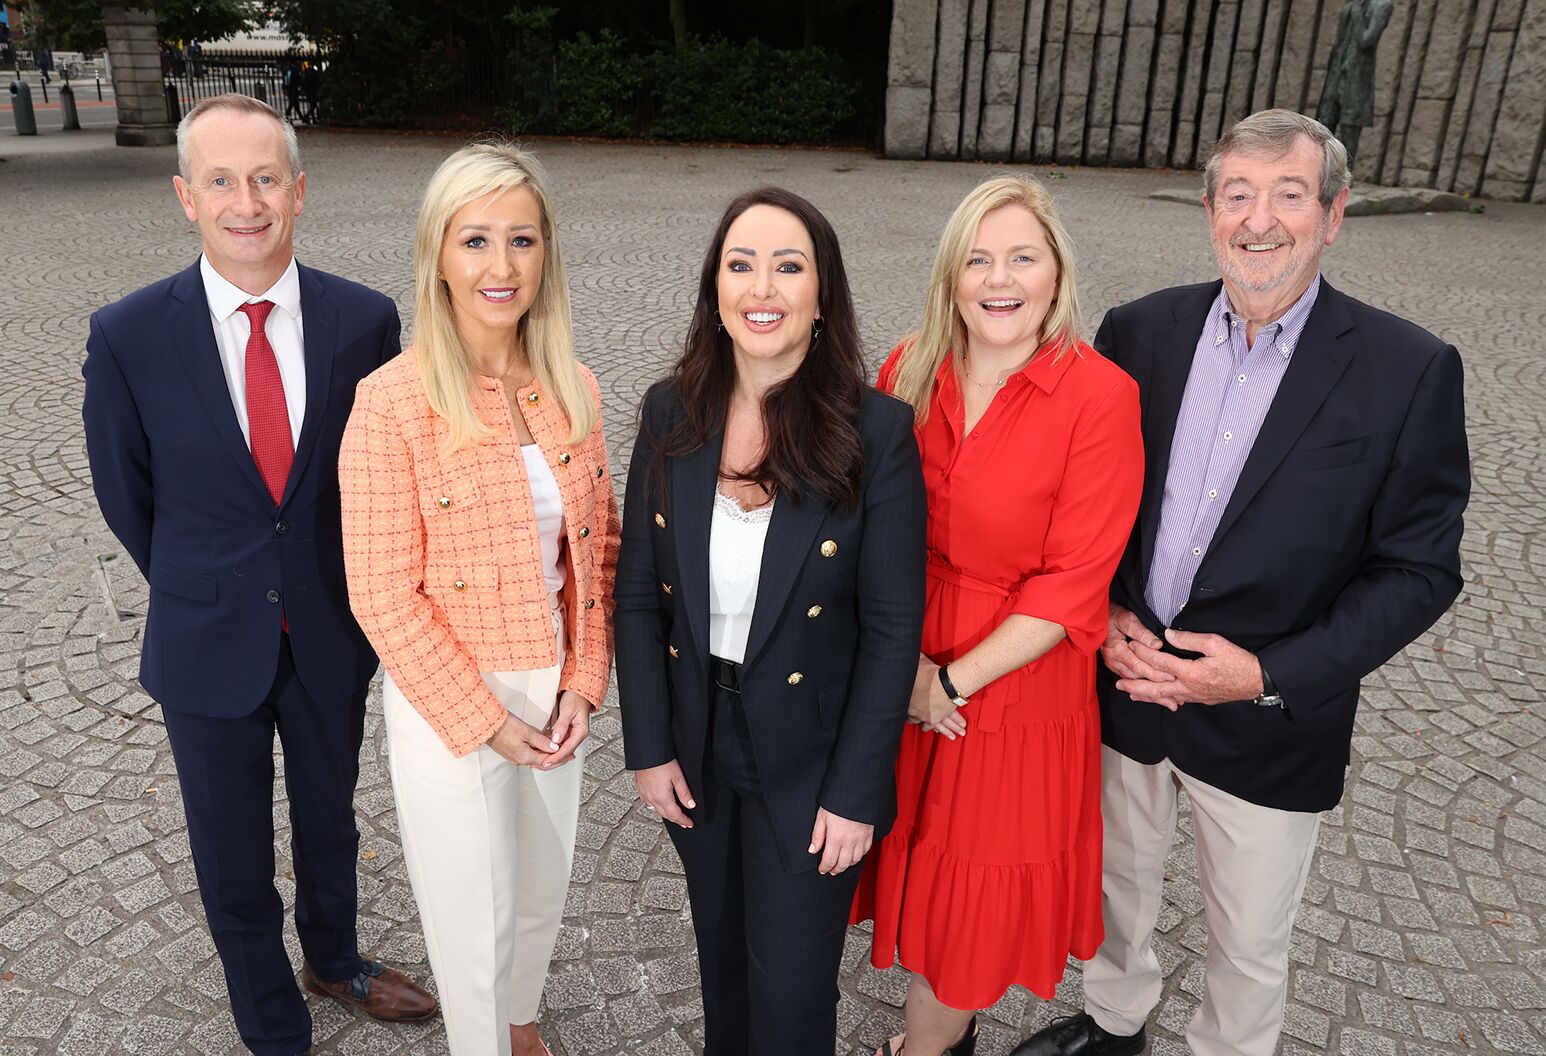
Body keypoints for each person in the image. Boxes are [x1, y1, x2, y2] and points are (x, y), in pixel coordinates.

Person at [1014, 108, 1469, 1056]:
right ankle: (1113, 1024)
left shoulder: (1410, 370)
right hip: (1128, 684)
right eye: (1238, 195)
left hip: (1269, 718)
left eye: (1290, 195)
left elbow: (1420, 571)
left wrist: (1265, 673)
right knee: (1116, 886)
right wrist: (1097, 610)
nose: (1260, 220)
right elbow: (1082, 500)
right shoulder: (1138, 333)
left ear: (1334, 214)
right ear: (1211, 209)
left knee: (1250, 944)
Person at [81, 94, 436, 1056]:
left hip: (329, 623)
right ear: (184, 197)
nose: (248, 201)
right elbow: (128, 495)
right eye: (222, 181)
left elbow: (384, 474)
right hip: (205, 637)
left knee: (330, 817)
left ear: (299, 191)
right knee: (230, 846)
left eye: (266, 178)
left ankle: (335, 957)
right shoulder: (128, 336)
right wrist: (206, 581)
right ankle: (269, 1014)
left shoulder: (364, 322)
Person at [615, 187, 927, 1056]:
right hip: (696, 733)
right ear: (715, 290)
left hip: (810, 753)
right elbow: (639, 589)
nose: (764, 287)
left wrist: (858, 789)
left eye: (789, 266)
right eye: (741, 264)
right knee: (721, 965)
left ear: (823, 293)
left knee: (790, 992)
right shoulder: (668, 412)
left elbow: (894, 627)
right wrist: (648, 743)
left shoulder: (878, 431)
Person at [851, 175, 1144, 1056]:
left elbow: (1073, 582)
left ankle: (926, 1051)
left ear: (1057, 272)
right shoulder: (909, 366)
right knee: (906, 852)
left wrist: (946, 681)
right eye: (977, 259)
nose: (998, 278)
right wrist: (902, 668)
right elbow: (864, 523)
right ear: (951, 275)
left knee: (969, 901)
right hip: (903, 648)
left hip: (1012, 684)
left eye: (1022, 256)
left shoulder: (1100, 395)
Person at [339, 141, 618, 1056]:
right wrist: (486, 719)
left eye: (522, 240)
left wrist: (582, 681)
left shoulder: (575, 389)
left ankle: (521, 1017)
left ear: (548, 255)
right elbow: (381, 590)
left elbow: (599, 552)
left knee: (542, 882)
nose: (501, 267)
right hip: (447, 696)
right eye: (475, 241)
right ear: (438, 255)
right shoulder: (389, 402)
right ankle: (479, 1042)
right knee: (470, 904)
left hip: (554, 682)